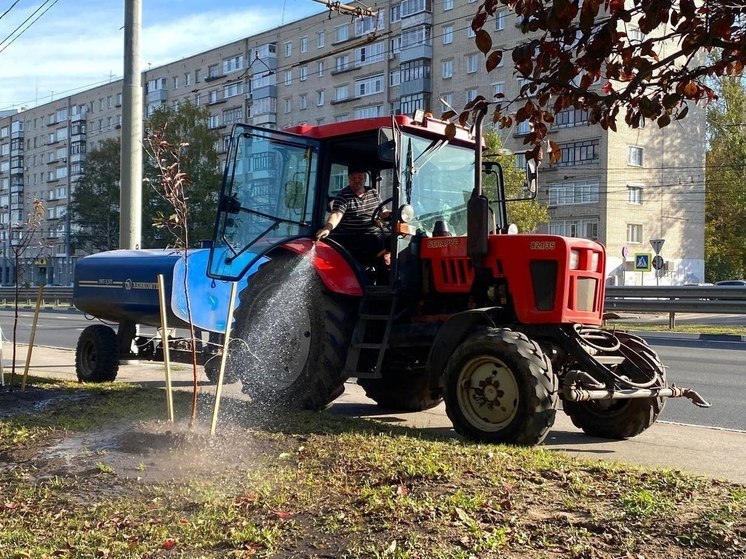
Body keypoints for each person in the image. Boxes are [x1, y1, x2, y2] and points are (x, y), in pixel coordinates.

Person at [315, 166, 391, 269]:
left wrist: (391, 214)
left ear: (365, 178)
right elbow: (337, 214)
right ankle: (372, 267)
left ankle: (386, 270)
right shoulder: (343, 196)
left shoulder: (373, 192)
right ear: (349, 179)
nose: (357, 181)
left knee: (393, 238)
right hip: (353, 236)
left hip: (374, 232)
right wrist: (327, 228)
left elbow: (382, 212)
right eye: (353, 178)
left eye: (360, 177)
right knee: (373, 241)